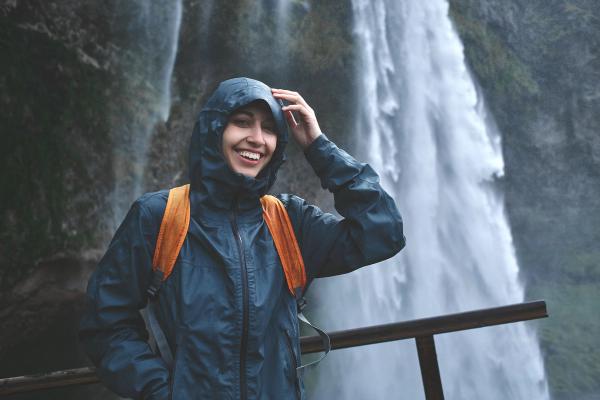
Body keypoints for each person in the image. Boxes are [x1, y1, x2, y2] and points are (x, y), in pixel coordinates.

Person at [79, 77, 405, 400]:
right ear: (214, 128)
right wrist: (160, 390)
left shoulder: (290, 222)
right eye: (242, 122)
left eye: (270, 128)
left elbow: (384, 231)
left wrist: (318, 146)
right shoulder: (158, 217)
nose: (256, 139)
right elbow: (106, 323)